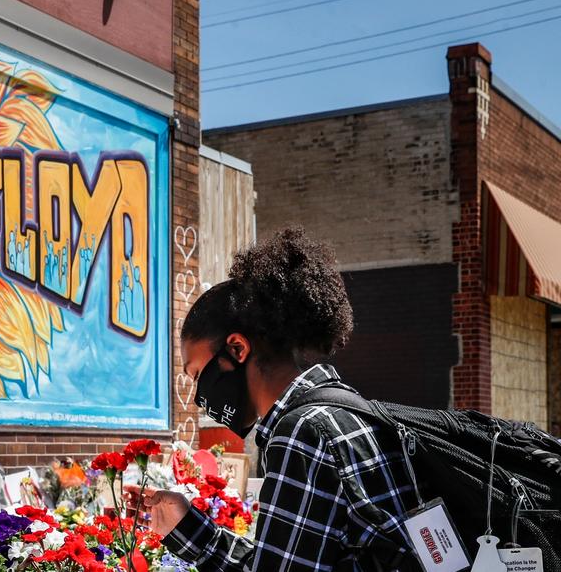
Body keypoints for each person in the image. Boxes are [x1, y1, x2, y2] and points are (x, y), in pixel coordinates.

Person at [141, 227, 419, 571]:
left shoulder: (302, 434)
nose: (200, 397)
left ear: (237, 348)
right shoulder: (345, 410)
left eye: (198, 375)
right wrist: (187, 528)